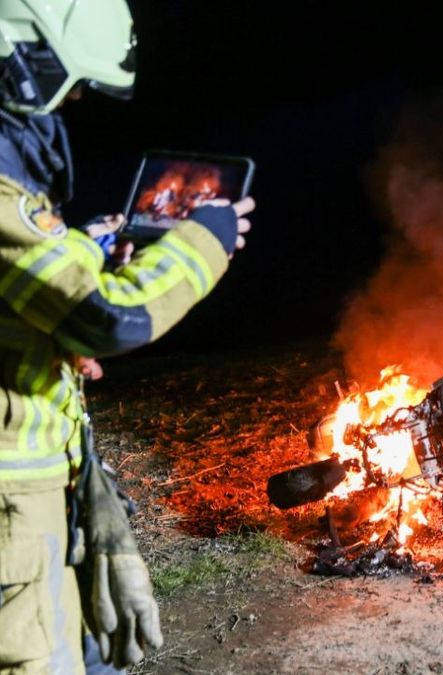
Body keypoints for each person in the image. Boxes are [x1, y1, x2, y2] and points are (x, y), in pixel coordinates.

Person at [0, 0, 253, 671]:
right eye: (72, 85)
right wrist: (207, 240)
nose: (73, 104)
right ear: (26, 68)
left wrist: (87, 244)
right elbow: (107, 317)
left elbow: (28, 283)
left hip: (34, 503)